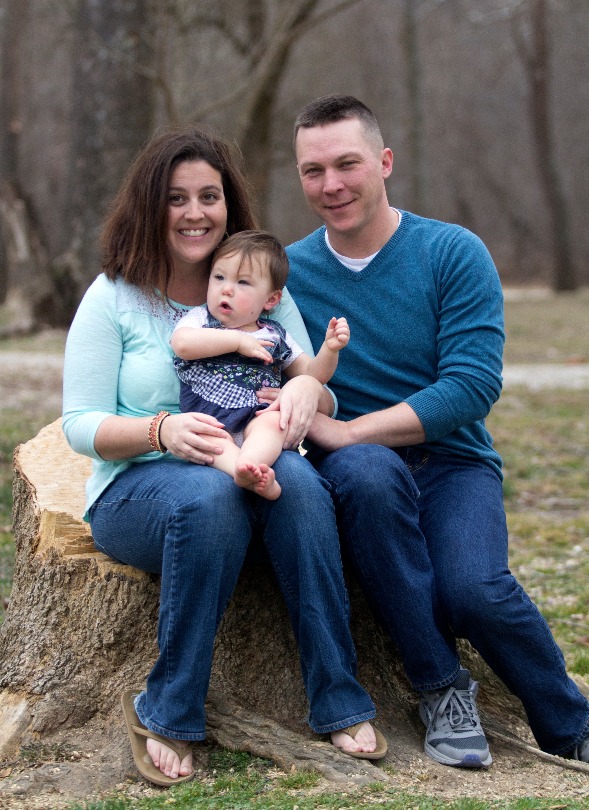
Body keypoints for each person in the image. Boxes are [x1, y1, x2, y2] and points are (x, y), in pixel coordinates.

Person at [61, 126, 387, 787]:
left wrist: (304, 388)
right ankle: (168, 709)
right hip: (140, 490)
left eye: (208, 196)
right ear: (150, 207)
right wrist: (160, 432)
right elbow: (79, 424)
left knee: (296, 481)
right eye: (175, 198)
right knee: (207, 498)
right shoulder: (116, 296)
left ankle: (338, 695)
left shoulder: (264, 288)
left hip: (252, 468)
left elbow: (311, 387)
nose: (194, 213)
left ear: (227, 205)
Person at [280, 94, 589, 769]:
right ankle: (439, 686)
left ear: (384, 162)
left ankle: (569, 723)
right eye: (312, 171)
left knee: (472, 589)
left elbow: (471, 386)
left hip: (453, 463)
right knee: (363, 473)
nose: (330, 185)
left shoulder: (450, 252)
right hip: (358, 476)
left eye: (346, 164)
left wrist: (350, 429)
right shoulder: (287, 274)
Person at [171, 229, 350, 500]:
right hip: (209, 418)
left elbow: (312, 376)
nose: (226, 288)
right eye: (219, 277)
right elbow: (182, 344)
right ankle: (239, 469)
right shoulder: (200, 320)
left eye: (243, 282)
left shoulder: (274, 334)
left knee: (274, 424)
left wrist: (330, 350)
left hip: (256, 417)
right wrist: (237, 341)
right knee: (204, 438)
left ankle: (252, 465)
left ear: (271, 299)